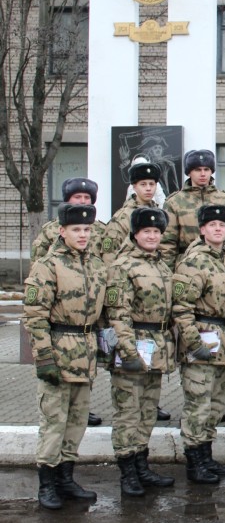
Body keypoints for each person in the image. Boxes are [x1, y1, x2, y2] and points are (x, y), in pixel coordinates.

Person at [23, 204, 106, 510]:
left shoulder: (96, 266)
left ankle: (66, 479)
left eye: (87, 229)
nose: (83, 235)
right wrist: (44, 359)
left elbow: (101, 318)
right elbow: (35, 316)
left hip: (85, 356)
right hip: (58, 353)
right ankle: (47, 484)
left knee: (76, 422)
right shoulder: (47, 266)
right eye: (76, 230)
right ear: (62, 231)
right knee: (53, 423)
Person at [105, 207, 175, 496]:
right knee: (128, 413)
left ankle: (141, 465)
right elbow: (117, 313)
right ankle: (127, 472)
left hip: (156, 348)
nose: (152, 236)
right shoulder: (122, 267)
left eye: (157, 232)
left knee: (147, 411)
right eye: (147, 231)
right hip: (131, 348)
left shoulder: (162, 265)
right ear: (135, 234)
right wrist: (128, 351)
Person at [30, 177, 106, 428]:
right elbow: (39, 281)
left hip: (87, 333)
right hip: (60, 330)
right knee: (54, 419)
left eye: (87, 199)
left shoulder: (100, 233)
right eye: (77, 198)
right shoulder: (50, 235)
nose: (82, 202)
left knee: (77, 416)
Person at [172, 205, 225, 484]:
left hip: (223, 342)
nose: (217, 229)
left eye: (222, 226)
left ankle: (207, 456)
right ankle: (194, 462)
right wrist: (192, 341)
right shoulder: (193, 262)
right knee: (198, 404)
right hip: (200, 340)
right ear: (201, 230)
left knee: (215, 404)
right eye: (211, 225)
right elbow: (181, 307)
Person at [160, 149, 225, 269]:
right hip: (187, 265)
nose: (203, 174)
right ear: (189, 173)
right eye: (197, 170)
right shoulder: (174, 202)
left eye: (206, 169)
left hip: (219, 266)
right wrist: (169, 272)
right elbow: (167, 243)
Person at [102, 162, 162, 265]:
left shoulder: (160, 215)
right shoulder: (123, 216)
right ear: (134, 187)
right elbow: (109, 255)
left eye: (151, 184)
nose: (148, 188)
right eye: (143, 184)